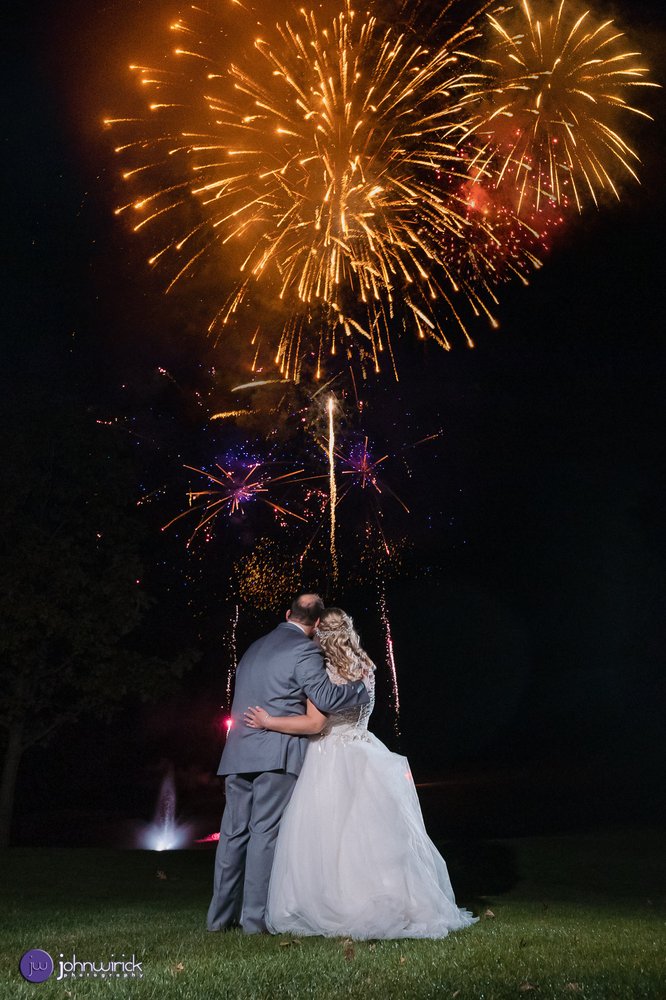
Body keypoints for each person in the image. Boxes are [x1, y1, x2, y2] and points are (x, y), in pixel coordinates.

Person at [244, 607, 479, 939]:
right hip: (365, 749)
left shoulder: (323, 672)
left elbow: (316, 723)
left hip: (328, 756)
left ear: (319, 635)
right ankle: (395, 899)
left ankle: (336, 903)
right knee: (374, 838)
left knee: (328, 838)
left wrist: (268, 722)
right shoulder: (366, 666)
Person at [207, 594, 370, 935]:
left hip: (237, 754)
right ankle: (254, 922)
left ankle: (218, 920)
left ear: (287, 614)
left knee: (232, 836)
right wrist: (358, 691)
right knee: (264, 834)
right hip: (274, 756)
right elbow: (325, 698)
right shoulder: (305, 650)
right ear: (315, 625)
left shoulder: (254, 648)